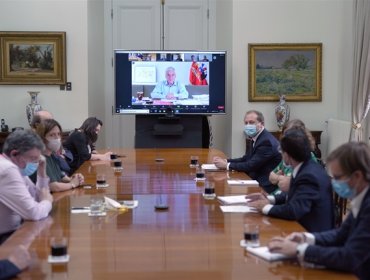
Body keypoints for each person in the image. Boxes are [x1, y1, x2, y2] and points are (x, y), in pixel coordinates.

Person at [268, 142, 370, 279]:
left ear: (357, 176)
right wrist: (306, 238)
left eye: (338, 177)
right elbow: (340, 234)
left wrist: (298, 250)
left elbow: (350, 257)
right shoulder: (362, 198)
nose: (334, 182)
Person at [247, 129, 334, 232]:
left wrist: (265, 207)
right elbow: (295, 193)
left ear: (287, 154)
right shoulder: (304, 167)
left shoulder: (309, 175)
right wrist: (270, 199)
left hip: (310, 233)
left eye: (282, 152)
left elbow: (294, 210)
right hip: (301, 227)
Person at [0, 130, 53, 244]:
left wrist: (41, 171)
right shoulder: (7, 169)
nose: (35, 162)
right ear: (14, 154)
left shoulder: (15, 166)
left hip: (13, 232)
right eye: (32, 158)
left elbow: (37, 198)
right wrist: (47, 201)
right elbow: (33, 213)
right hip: (5, 239)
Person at [213, 110, 281, 194]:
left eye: (251, 122)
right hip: (255, 180)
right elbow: (246, 158)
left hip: (265, 187)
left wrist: (226, 165)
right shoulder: (256, 137)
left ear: (262, 124)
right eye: (246, 123)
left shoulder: (266, 142)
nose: (248, 125)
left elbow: (251, 165)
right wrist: (226, 161)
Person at [35, 119, 84, 192]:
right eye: (52, 135)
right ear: (42, 138)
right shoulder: (40, 158)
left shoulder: (52, 155)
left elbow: (61, 176)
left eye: (58, 134)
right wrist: (72, 184)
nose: (57, 138)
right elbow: (53, 186)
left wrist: (74, 179)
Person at [269, 119, 318, 193]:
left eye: (289, 135)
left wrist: (278, 178)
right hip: (278, 196)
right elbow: (271, 177)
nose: (285, 138)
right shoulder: (289, 155)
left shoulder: (307, 157)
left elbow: (290, 185)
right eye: (284, 134)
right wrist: (281, 178)